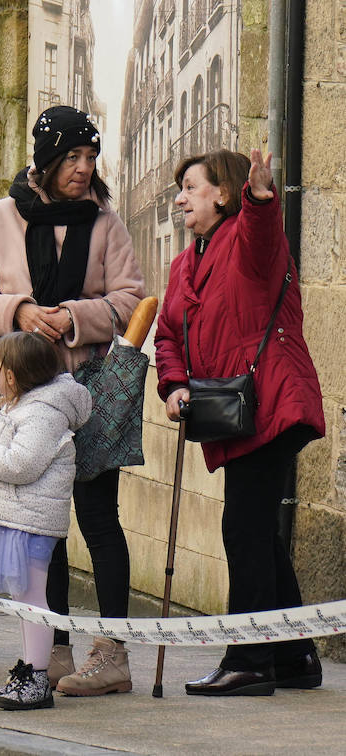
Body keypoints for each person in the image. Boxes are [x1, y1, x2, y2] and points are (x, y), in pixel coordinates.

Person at [0, 105, 144, 695]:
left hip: (86, 394)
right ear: (47, 159)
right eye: (72, 158)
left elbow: (130, 300)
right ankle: (54, 648)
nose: (83, 170)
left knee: (98, 518)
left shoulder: (106, 224)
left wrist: (72, 317)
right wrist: (19, 311)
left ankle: (112, 653)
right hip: (20, 397)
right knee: (44, 523)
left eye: (90, 158)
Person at [154, 148, 325, 697]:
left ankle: (249, 658)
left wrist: (259, 197)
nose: (180, 197)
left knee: (243, 529)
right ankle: (295, 655)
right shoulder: (184, 263)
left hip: (272, 402)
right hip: (235, 411)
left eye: (191, 186)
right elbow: (167, 336)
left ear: (222, 194)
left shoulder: (249, 241)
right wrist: (175, 384)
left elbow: (261, 232)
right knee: (259, 534)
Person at [0, 331, 91, 710]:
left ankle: (37, 677)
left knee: (33, 597)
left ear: (14, 375)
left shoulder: (41, 413)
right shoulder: (24, 406)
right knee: (23, 598)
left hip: (31, 520)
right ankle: (30, 669)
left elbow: (21, 464)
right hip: (16, 515)